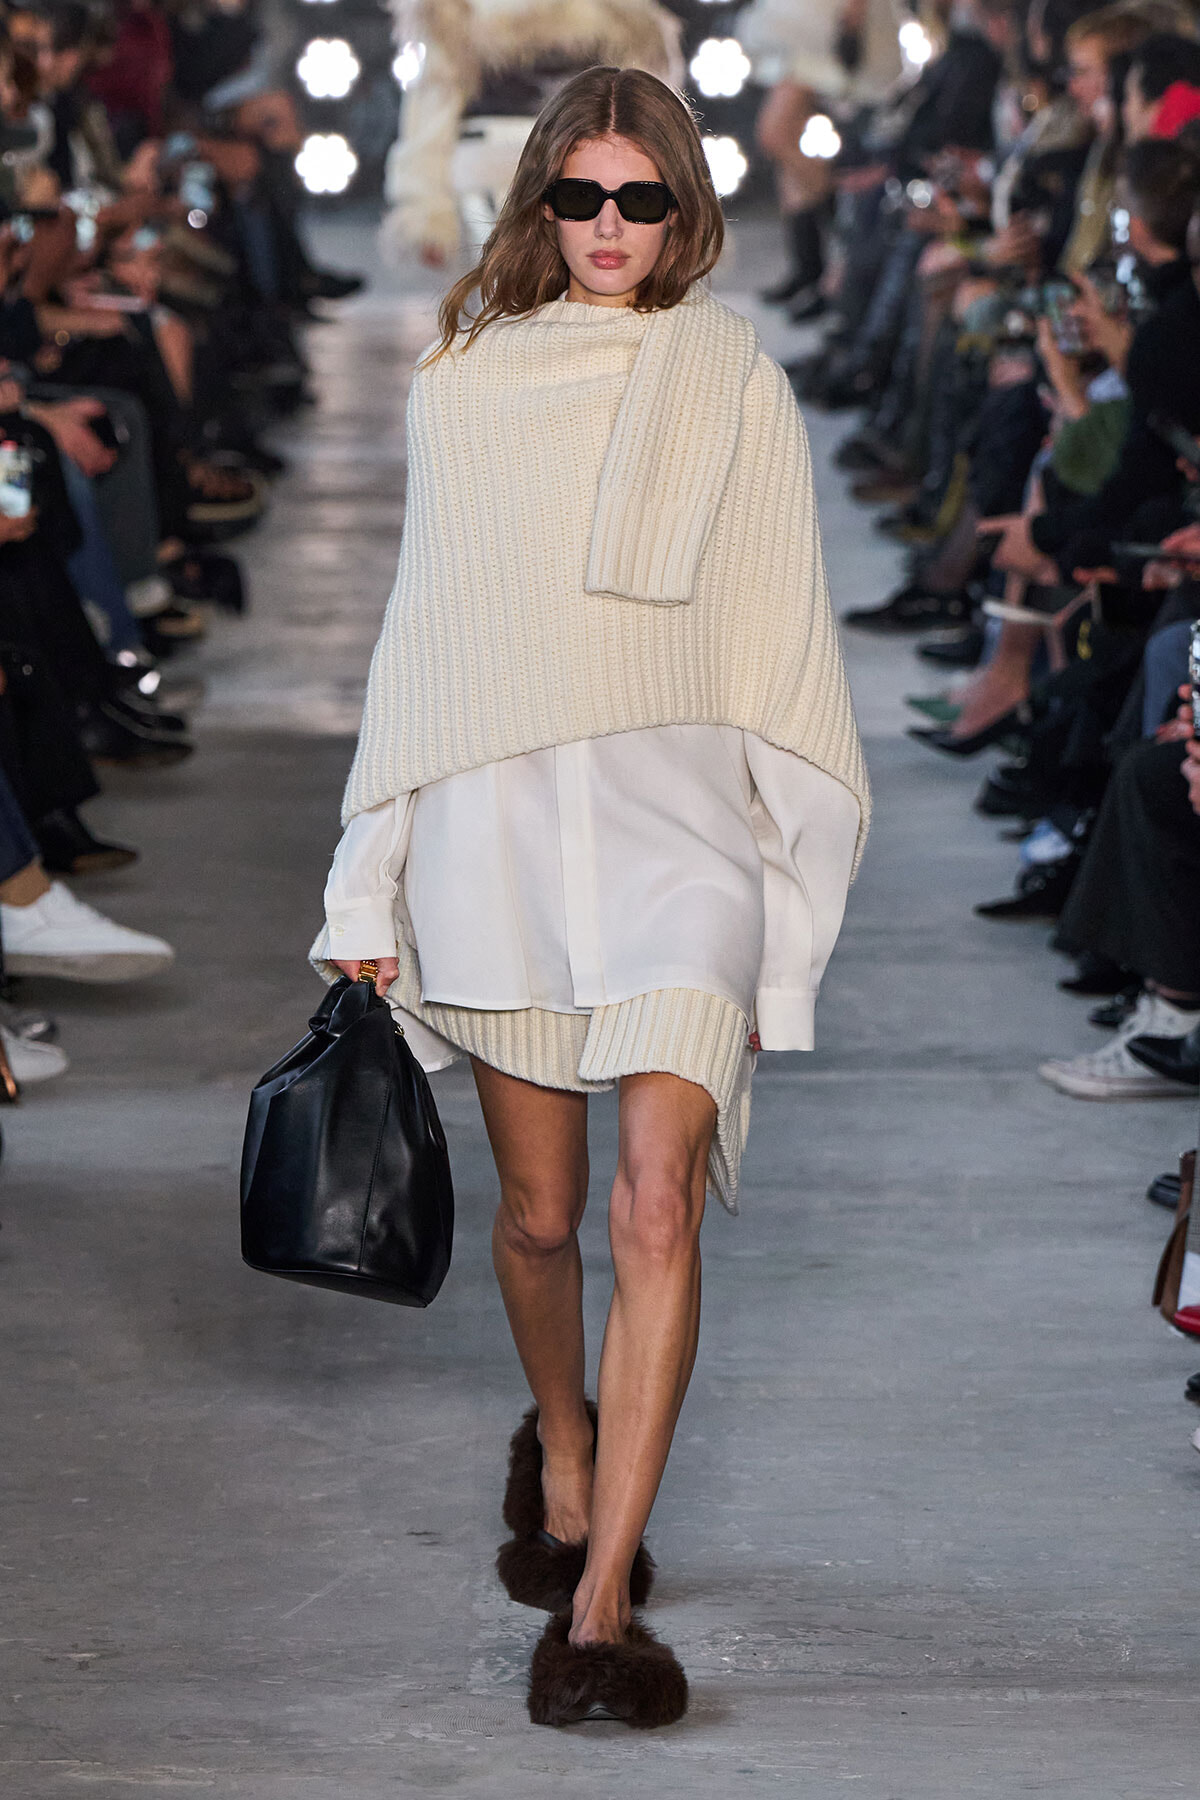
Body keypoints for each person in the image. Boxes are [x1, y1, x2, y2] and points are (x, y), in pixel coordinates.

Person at [311, 66, 869, 1728]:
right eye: (583, 199)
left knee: (653, 1206)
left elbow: (781, 635)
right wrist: (370, 866)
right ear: (540, 204)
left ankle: (605, 1602)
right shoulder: (466, 383)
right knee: (546, 1219)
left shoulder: (734, 384)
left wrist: (786, 889)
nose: (612, 230)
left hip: (681, 836)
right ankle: (561, 1435)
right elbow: (426, 639)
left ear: (684, 210)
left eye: (642, 201)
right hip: (496, 833)